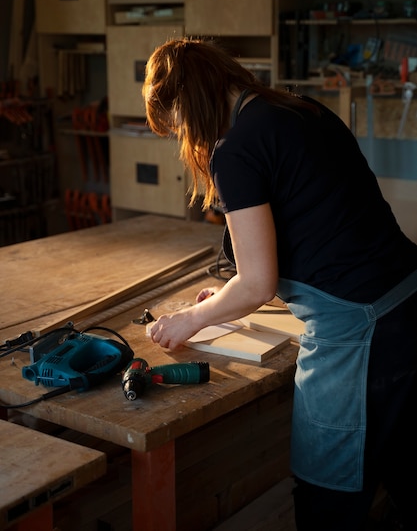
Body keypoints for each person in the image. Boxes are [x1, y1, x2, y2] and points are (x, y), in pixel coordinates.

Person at [142, 36, 417, 530]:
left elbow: (258, 282)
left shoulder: (235, 150)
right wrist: (227, 300)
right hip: (409, 299)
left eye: (178, 125)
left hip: (362, 333)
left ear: (189, 103)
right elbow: (326, 228)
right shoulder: (300, 109)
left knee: (326, 503)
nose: (186, 139)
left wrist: (191, 318)